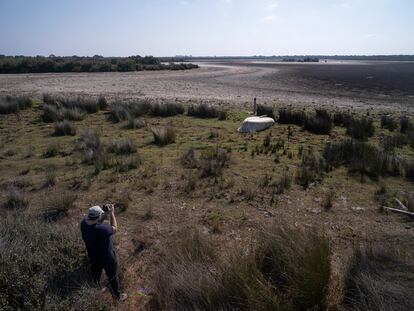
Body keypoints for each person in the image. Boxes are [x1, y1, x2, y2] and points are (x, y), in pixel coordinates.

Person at [80, 204, 127, 301]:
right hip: (107, 258)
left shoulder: (84, 223)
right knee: (112, 276)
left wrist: (104, 214)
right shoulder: (102, 229)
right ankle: (117, 296)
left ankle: (95, 289)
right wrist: (111, 213)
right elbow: (114, 228)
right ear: (98, 216)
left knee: (95, 273)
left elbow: (95, 222)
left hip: (93, 255)